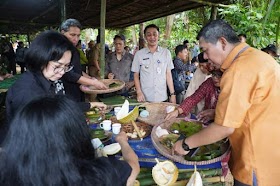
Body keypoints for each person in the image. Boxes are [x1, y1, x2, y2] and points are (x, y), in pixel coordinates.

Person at [172, 19, 280, 186]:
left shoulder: (238, 69)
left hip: (255, 162)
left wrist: (186, 144)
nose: (205, 57)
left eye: (205, 50)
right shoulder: (260, 58)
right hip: (273, 155)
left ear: (222, 42)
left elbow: (224, 127)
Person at [1, 95, 140, 185]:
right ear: (76, 135)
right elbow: (133, 166)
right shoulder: (94, 175)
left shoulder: (7, 173)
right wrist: (122, 142)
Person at [5, 31, 106, 122]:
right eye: (57, 66)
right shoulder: (27, 93)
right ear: (41, 59)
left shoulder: (48, 79)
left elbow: (59, 107)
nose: (62, 72)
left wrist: (91, 104)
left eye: (66, 66)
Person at [60, 19, 107, 102]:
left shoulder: (75, 51)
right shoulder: (59, 51)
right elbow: (69, 74)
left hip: (78, 91)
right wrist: (93, 83)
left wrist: (91, 78)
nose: (76, 39)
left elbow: (78, 71)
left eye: (78, 36)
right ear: (62, 33)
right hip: (65, 94)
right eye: (72, 35)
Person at [131, 24, 176, 103]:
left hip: (162, 97)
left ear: (158, 35)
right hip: (145, 98)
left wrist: (172, 94)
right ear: (145, 37)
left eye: (154, 34)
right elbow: (136, 75)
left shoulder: (166, 53)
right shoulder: (139, 54)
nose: (152, 37)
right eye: (149, 35)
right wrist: (139, 92)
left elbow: (168, 74)